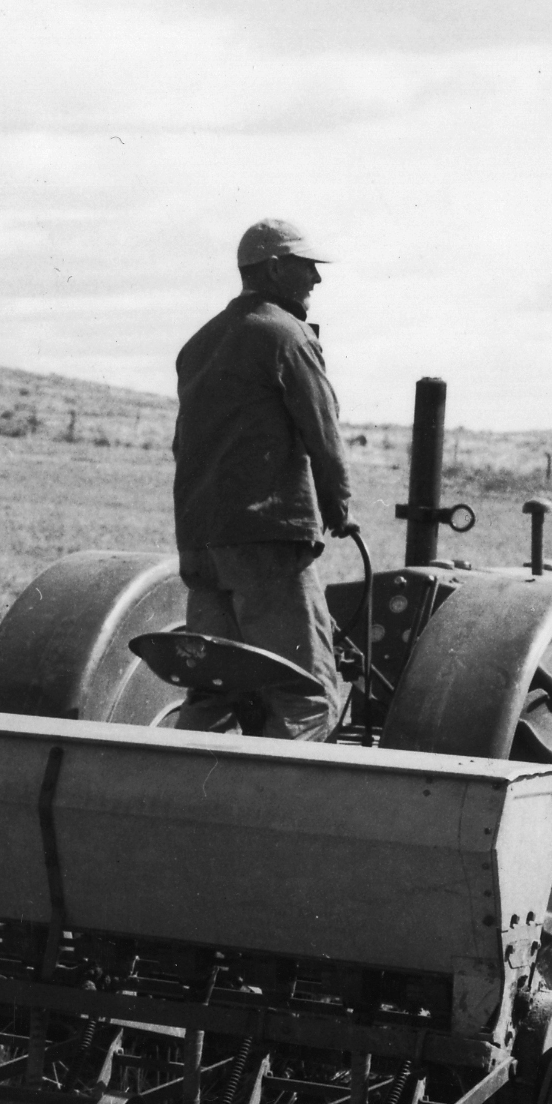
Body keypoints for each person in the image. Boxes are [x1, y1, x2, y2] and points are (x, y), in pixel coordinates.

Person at [167, 218, 354, 738]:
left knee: (211, 693)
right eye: (307, 267)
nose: (316, 280)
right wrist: (339, 506)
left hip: (201, 542)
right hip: (267, 542)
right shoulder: (285, 335)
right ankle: (273, 806)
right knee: (307, 694)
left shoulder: (198, 343)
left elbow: (183, 444)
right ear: (274, 269)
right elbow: (322, 430)